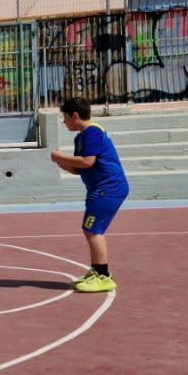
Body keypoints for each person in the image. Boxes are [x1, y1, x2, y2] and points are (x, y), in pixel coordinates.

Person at [50, 97, 129, 293]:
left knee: (93, 230)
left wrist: (61, 157)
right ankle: (96, 271)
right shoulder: (82, 136)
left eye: (65, 117)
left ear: (75, 116)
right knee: (90, 229)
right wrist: (63, 163)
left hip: (108, 188)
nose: (64, 122)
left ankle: (103, 276)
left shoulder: (92, 132)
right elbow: (80, 169)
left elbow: (87, 162)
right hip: (100, 188)